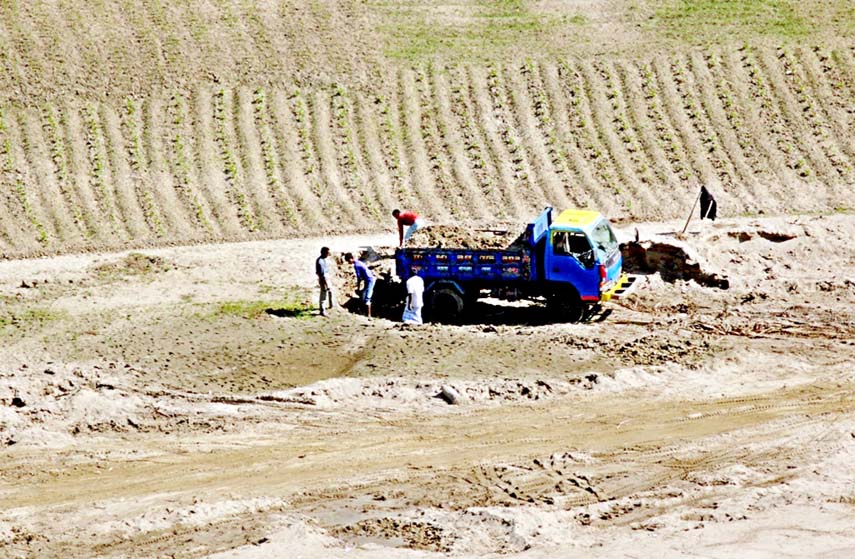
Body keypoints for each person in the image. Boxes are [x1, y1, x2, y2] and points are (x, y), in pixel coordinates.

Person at [344, 252, 375, 317]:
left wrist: (358, 287)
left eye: (348, 260)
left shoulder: (356, 265)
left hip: (370, 280)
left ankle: (369, 315)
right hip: (368, 279)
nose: (348, 262)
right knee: (363, 295)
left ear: (351, 258)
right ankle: (363, 312)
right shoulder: (359, 262)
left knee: (367, 297)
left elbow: (359, 278)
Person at [315, 246, 335, 316]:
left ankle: (331, 305)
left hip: (326, 276)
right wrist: (326, 283)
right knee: (324, 294)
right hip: (323, 278)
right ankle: (322, 310)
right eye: (327, 253)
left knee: (330, 291)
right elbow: (322, 274)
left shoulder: (324, 259)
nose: (328, 254)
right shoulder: (320, 261)